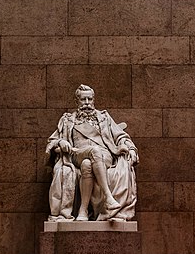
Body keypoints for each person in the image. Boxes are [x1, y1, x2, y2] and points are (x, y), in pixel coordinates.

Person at [46, 85, 139, 221]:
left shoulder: (104, 117)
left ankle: (83, 210)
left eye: (90, 99)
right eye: (83, 100)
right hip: (76, 154)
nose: (87, 103)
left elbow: (120, 136)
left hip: (104, 156)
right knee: (92, 153)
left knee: (87, 164)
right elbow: (52, 141)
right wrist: (60, 142)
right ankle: (108, 197)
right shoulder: (67, 120)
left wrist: (129, 147)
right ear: (76, 101)